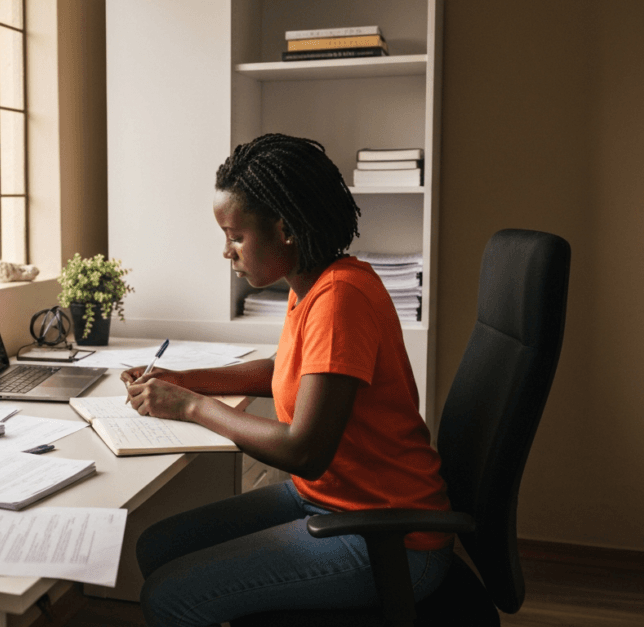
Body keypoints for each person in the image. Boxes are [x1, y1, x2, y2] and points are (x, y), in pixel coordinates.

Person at [122, 133, 453, 627]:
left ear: (285, 230)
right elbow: (286, 369)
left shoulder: (341, 297)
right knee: (157, 547)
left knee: (171, 597)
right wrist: (185, 380)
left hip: (390, 536)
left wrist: (190, 406)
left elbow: (304, 450)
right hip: (327, 499)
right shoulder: (313, 283)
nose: (227, 252)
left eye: (235, 236)